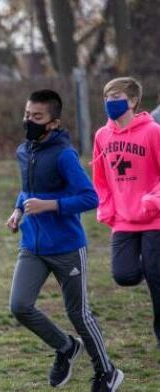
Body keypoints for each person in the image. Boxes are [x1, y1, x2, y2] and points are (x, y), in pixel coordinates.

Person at [7, 89, 122, 392]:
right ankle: (66, 347)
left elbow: (90, 197)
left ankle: (107, 371)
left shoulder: (64, 155)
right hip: (32, 245)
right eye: (27, 114)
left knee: (78, 313)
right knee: (19, 306)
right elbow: (27, 189)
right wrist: (18, 209)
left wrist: (50, 205)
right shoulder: (24, 150)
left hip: (67, 247)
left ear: (53, 123)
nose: (29, 121)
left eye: (37, 117)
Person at [92, 77, 160, 347]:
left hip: (155, 218)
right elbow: (100, 179)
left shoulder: (153, 132)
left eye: (116, 96)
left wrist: (153, 200)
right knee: (125, 275)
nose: (110, 102)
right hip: (123, 220)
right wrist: (107, 208)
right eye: (107, 97)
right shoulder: (102, 136)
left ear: (133, 101)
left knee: (156, 279)